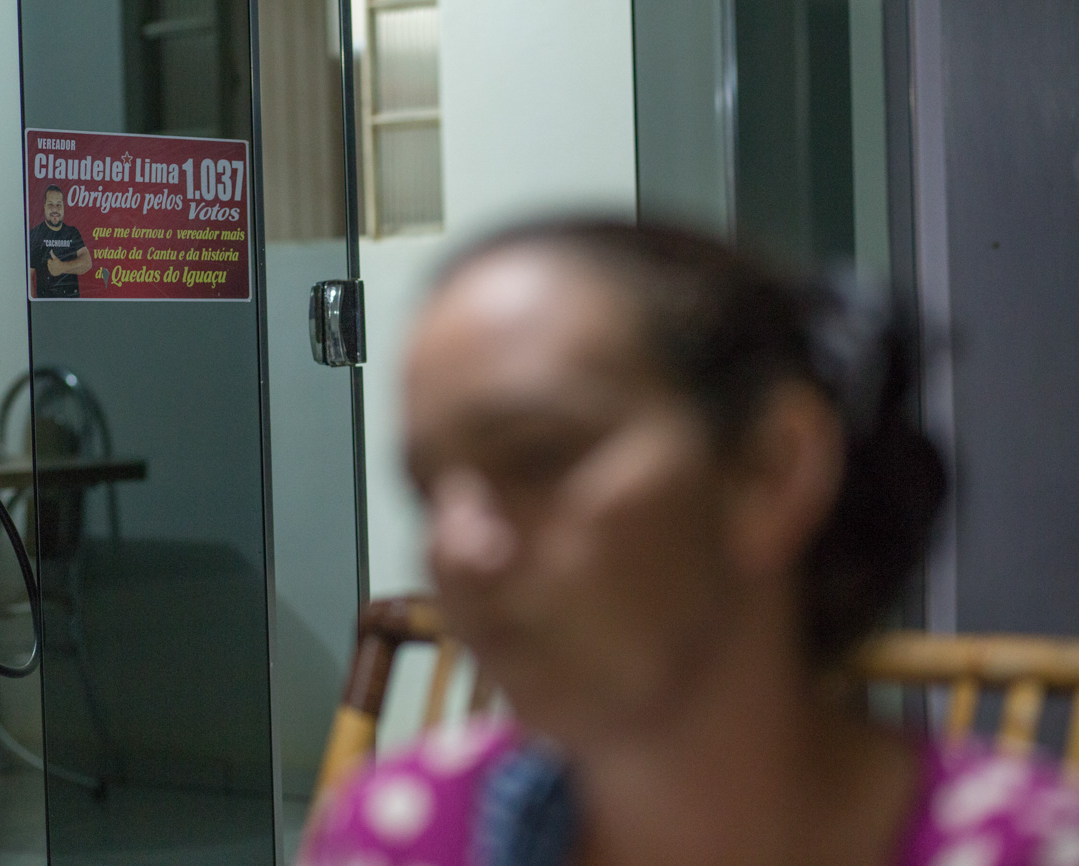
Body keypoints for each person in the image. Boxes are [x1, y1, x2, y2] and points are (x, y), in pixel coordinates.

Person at [301, 219, 1079, 866]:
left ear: (771, 470)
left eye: (539, 456)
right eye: (429, 487)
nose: (455, 548)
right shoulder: (400, 835)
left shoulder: (1029, 848)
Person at [28, 184, 92, 298]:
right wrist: (34, 307)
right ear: (44, 207)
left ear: (63, 207)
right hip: (47, 305)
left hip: (72, 305)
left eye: (58, 205)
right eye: (50, 204)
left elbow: (87, 262)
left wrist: (62, 267)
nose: (55, 209)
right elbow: (28, 276)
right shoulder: (35, 235)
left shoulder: (72, 233)